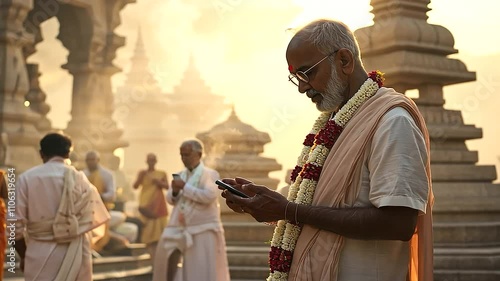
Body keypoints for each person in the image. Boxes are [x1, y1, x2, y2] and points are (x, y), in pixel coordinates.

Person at [220, 19, 434, 281]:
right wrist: (266, 204)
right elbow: (322, 208)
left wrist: (289, 211)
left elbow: (399, 222)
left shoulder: (391, 121)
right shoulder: (336, 122)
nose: (302, 87)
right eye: (295, 78)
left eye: (307, 73)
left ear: (344, 60)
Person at [14, 133, 109, 281]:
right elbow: (95, 217)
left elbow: (14, 227)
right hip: (76, 251)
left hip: (39, 254)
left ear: (41, 154)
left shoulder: (26, 178)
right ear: (68, 153)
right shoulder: (81, 179)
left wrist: (24, 256)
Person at [153, 140, 230, 281]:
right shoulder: (180, 174)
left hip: (203, 229)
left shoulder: (210, 174)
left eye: (187, 155)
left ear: (199, 154)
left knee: (200, 270)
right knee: (169, 261)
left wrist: (184, 187)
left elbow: (209, 196)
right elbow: (170, 199)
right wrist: (175, 191)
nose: (183, 158)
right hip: (181, 228)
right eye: (181, 155)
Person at [133, 153, 169, 259]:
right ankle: (150, 256)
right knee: (147, 232)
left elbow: (168, 187)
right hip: (146, 205)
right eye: (149, 160)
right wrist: (141, 177)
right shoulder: (142, 173)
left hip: (158, 206)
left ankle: (157, 257)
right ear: (146, 161)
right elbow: (135, 186)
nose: (151, 162)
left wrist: (159, 182)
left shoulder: (161, 173)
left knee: (159, 234)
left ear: (156, 161)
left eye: (153, 160)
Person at [83, 150, 116, 252]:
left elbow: (111, 194)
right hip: (85, 210)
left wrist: (96, 197)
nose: (90, 162)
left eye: (93, 159)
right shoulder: (82, 175)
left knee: (101, 234)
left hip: (102, 210)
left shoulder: (107, 174)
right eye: (88, 160)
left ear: (98, 160)